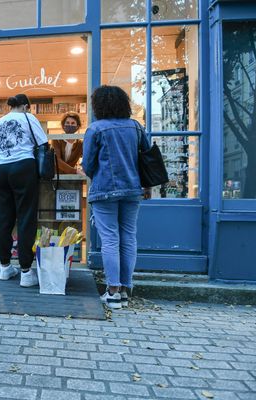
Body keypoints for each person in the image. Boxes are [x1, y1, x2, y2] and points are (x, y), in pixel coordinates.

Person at [81, 85, 150, 309]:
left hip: (104, 190)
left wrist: (96, 175)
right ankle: (124, 291)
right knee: (128, 237)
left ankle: (112, 291)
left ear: (98, 106)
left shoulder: (95, 129)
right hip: (132, 189)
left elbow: (89, 164)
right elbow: (146, 157)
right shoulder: (136, 127)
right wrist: (145, 184)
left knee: (110, 238)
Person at [0, 93, 49, 287]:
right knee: (26, 218)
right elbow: (43, 144)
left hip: (4, 170)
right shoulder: (28, 118)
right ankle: (25, 271)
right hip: (24, 167)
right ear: (25, 106)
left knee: (5, 218)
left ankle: (4, 267)